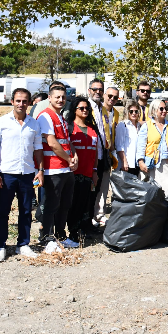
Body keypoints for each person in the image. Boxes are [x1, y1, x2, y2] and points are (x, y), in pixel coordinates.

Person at [0, 88, 44, 261]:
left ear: (29, 103)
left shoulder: (34, 124)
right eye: (18, 100)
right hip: (7, 174)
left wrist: (40, 170)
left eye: (25, 101)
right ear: (12, 101)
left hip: (27, 173)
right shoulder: (1, 122)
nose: (21, 104)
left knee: (26, 211)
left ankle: (23, 244)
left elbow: (38, 149)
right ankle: (1, 246)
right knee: (3, 212)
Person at [38, 86, 78, 252]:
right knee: (52, 205)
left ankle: (61, 236)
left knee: (65, 204)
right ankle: (47, 238)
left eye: (63, 97)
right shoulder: (45, 116)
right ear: (49, 97)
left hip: (65, 169)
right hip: (53, 169)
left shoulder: (60, 116)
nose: (60, 100)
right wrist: (69, 159)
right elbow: (53, 144)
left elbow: (66, 142)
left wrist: (74, 158)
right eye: (57, 97)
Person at [65, 97, 102, 247]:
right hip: (73, 174)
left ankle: (82, 230)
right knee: (72, 204)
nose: (85, 110)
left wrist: (94, 171)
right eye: (81, 108)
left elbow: (95, 154)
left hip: (88, 173)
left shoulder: (93, 129)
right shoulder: (70, 128)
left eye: (87, 108)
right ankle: (71, 233)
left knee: (85, 204)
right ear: (74, 110)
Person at [137, 99, 168, 196]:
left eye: (165, 108)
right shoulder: (147, 126)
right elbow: (141, 146)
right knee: (152, 193)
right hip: (151, 165)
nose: (164, 111)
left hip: (167, 164)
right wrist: (140, 161)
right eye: (161, 109)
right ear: (153, 110)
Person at [92, 87, 120, 228]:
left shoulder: (115, 113)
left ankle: (100, 213)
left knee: (104, 186)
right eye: (109, 96)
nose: (112, 99)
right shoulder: (96, 110)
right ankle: (91, 214)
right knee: (94, 185)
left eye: (115, 97)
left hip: (108, 153)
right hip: (96, 151)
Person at [116, 102, 145, 175]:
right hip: (127, 164)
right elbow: (119, 146)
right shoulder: (123, 125)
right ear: (127, 112)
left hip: (136, 164)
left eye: (136, 111)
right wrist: (124, 162)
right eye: (131, 111)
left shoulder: (139, 126)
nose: (134, 113)